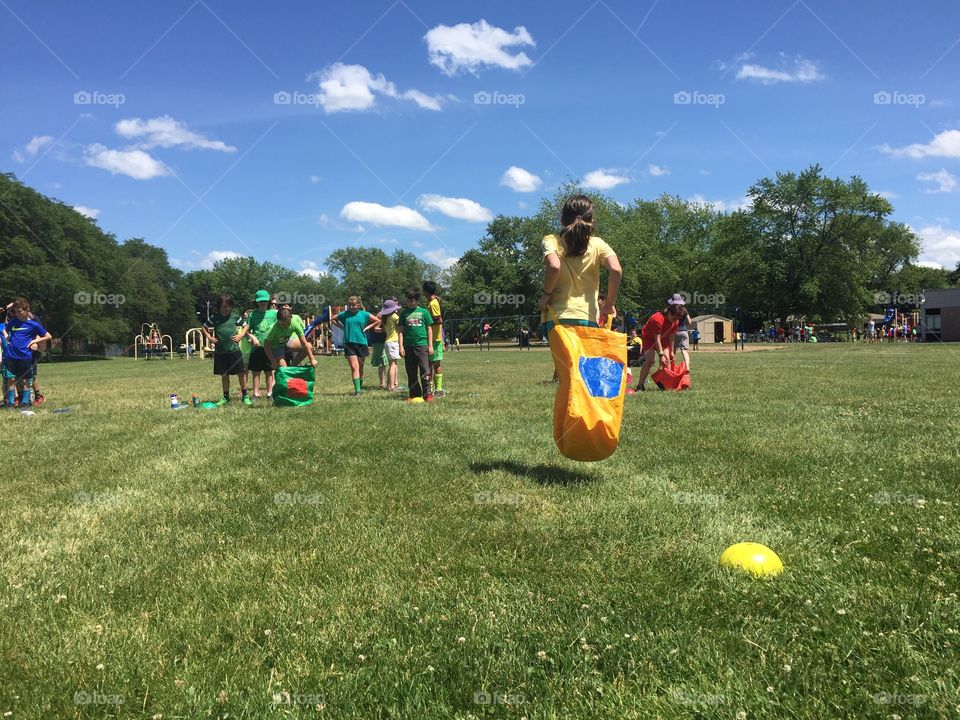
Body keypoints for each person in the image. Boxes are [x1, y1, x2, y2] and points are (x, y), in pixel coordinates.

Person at [539, 194, 622, 384]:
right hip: (588, 319)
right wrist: (609, 304)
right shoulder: (598, 244)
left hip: (558, 317)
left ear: (561, 220)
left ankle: (569, 413)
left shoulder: (552, 240)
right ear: (591, 221)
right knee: (584, 378)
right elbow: (616, 269)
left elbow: (553, 266)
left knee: (567, 378)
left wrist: (546, 295)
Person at [202, 294, 251, 407]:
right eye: (225, 306)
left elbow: (246, 325)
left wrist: (241, 335)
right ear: (219, 306)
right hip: (220, 352)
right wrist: (210, 338)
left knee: (241, 373)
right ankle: (225, 397)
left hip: (234, 350)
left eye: (229, 306)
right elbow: (204, 327)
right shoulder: (214, 318)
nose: (227, 308)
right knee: (224, 374)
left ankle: (245, 396)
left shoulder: (235, 317)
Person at [3, 298, 52, 407]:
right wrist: (7, 339)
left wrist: (34, 341)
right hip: (11, 355)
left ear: (26, 310)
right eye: (15, 311)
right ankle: (10, 403)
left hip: (25, 356)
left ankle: (25, 403)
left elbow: (48, 336)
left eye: (19, 311)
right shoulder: (13, 322)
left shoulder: (33, 325)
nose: (17, 314)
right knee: (11, 379)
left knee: (26, 380)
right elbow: (5, 330)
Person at [634, 295, 685, 391]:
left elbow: (672, 336)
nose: (675, 320)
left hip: (663, 340)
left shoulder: (675, 320)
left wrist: (671, 352)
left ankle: (665, 385)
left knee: (667, 362)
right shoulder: (657, 319)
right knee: (649, 361)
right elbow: (656, 338)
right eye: (674, 318)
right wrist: (661, 355)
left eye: (677, 319)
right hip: (650, 339)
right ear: (669, 313)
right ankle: (640, 385)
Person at [333, 296, 379, 396]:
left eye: (354, 305)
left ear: (358, 305)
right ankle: (357, 391)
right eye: (350, 305)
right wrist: (342, 327)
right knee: (355, 367)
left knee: (360, 367)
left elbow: (377, 321)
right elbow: (333, 319)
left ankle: (360, 387)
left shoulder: (364, 314)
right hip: (349, 343)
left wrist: (367, 327)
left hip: (361, 343)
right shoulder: (344, 314)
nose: (352, 307)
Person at [398, 287, 434, 403]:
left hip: (422, 345)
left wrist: (430, 346)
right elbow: (401, 331)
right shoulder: (404, 313)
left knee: (425, 370)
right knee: (411, 371)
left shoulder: (424, 312)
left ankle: (427, 393)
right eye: (408, 300)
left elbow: (429, 329)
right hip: (408, 346)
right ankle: (414, 394)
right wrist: (401, 346)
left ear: (416, 300)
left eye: (412, 300)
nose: (410, 302)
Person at [245, 290, 277, 400]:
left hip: (269, 347)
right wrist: (252, 337)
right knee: (256, 372)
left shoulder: (274, 314)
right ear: (256, 302)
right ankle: (256, 393)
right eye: (260, 301)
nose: (263, 303)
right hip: (256, 348)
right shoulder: (252, 314)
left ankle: (270, 393)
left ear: (268, 301)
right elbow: (246, 330)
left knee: (269, 371)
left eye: (265, 301)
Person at [265, 307, 317, 371]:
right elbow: (266, 346)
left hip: (287, 343)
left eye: (288, 324)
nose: (285, 326)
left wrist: (312, 359)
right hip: (276, 347)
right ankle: (288, 371)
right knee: (284, 370)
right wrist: (272, 361)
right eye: (283, 324)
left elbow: (304, 343)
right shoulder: (272, 329)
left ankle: (292, 367)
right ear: (278, 320)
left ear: (291, 318)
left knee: (309, 346)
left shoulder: (294, 323)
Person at [423, 280, 446, 396]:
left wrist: (426, 324)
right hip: (432, 338)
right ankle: (430, 389)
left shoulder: (433, 304)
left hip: (435, 339)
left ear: (425, 292)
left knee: (435, 364)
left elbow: (438, 319)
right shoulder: (431, 303)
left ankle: (439, 389)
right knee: (430, 365)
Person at [379, 298, 402, 391]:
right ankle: (392, 386)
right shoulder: (394, 316)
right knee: (393, 365)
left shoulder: (385, 318)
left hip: (387, 341)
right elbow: (401, 325)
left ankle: (389, 385)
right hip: (393, 342)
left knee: (391, 364)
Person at [367, 304, 388, 389]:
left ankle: (384, 383)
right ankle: (382, 383)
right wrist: (386, 330)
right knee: (382, 363)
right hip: (379, 343)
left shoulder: (379, 318)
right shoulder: (379, 319)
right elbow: (376, 329)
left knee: (383, 363)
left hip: (380, 342)